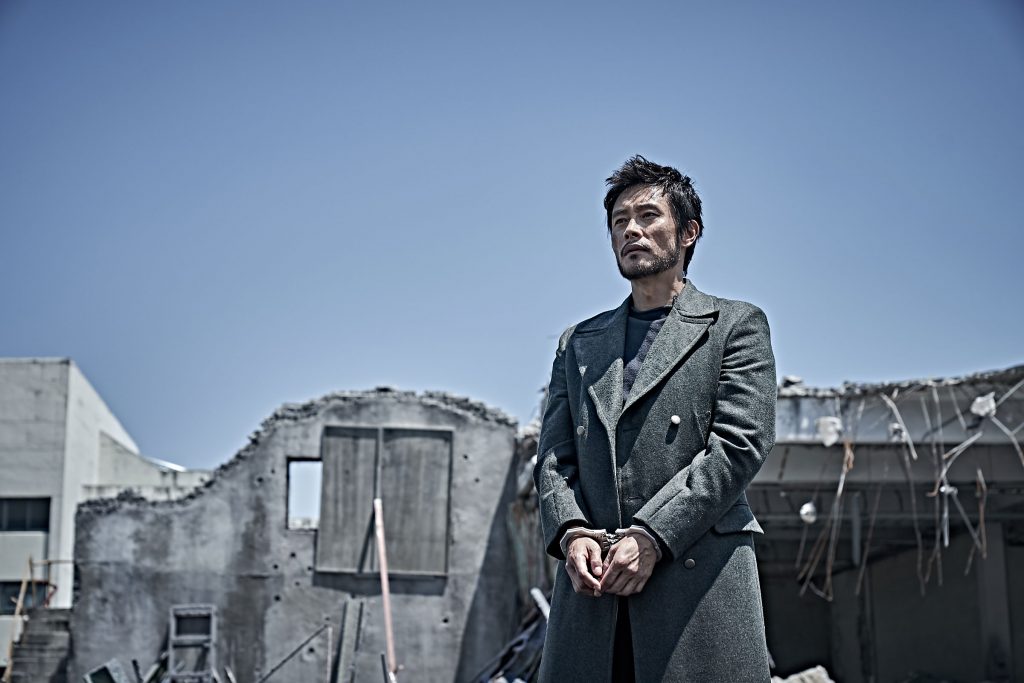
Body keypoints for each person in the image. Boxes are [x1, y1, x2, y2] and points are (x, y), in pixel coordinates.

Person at [533, 155, 776, 682]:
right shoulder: (578, 342)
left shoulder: (735, 325)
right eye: (619, 221)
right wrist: (572, 532)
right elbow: (553, 457)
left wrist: (652, 536)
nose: (631, 230)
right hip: (594, 595)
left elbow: (739, 446)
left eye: (647, 216)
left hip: (696, 586)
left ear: (688, 232)